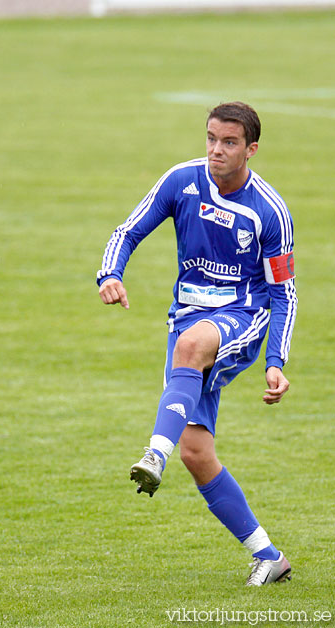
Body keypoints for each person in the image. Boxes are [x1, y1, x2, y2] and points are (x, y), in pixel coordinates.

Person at [96, 102, 297, 586]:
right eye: (211, 138)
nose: (216, 150)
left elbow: (283, 292)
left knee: (191, 347)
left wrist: (275, 360)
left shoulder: (269, 210)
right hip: (186, 316)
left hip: (242, 319)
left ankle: (152, 456)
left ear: (251, 149)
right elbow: (129, 230)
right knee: (197, 453)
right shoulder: (181, 181)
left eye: (229, 143)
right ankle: (268, 556)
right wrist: (111, 273)